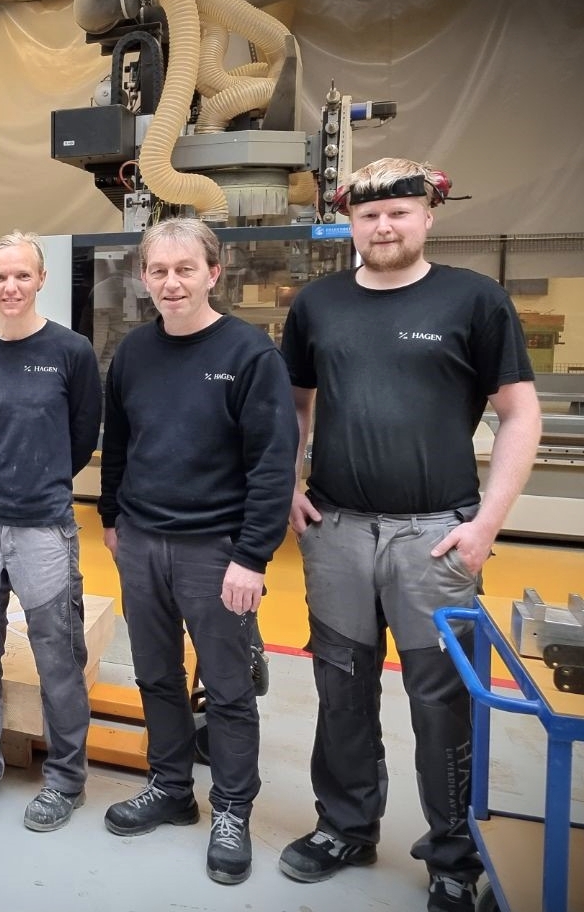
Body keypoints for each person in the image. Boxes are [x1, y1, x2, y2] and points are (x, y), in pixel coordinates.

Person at [277, 158, 541, 912]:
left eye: (399, 211)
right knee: (341, 686)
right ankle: (346, 826)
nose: (384, 226)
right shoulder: (318, 304)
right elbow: (295, 402)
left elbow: (520, 412)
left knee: (441, 699)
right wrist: (288, 483)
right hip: (336, 530)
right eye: (369, 215)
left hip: (436, 537)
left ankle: (454, 855)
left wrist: (486, 524)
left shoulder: (474, 299)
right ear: (350, 225)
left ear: (428, 216)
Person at [99, 218, 298, 885]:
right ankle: (171, 788)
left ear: (214, 273)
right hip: (141, 542)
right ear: (143, 277)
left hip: (216, 550)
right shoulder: (134, 353)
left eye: (185, 269)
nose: (171, 283)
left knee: (229, 688)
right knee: (156, 675)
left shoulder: (249, 354)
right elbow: (118, 443)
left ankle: (232, 810)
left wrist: (252, 556)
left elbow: (272, 464)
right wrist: (111, 518)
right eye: (158, 271)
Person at [0, 231, 101, 833]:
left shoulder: (71, 351)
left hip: (44, 526)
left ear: (41, 279)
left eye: (21, 275)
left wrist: (40, 481)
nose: (10, 287)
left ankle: (66, 779)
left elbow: (81, 438)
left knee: (58, 656)